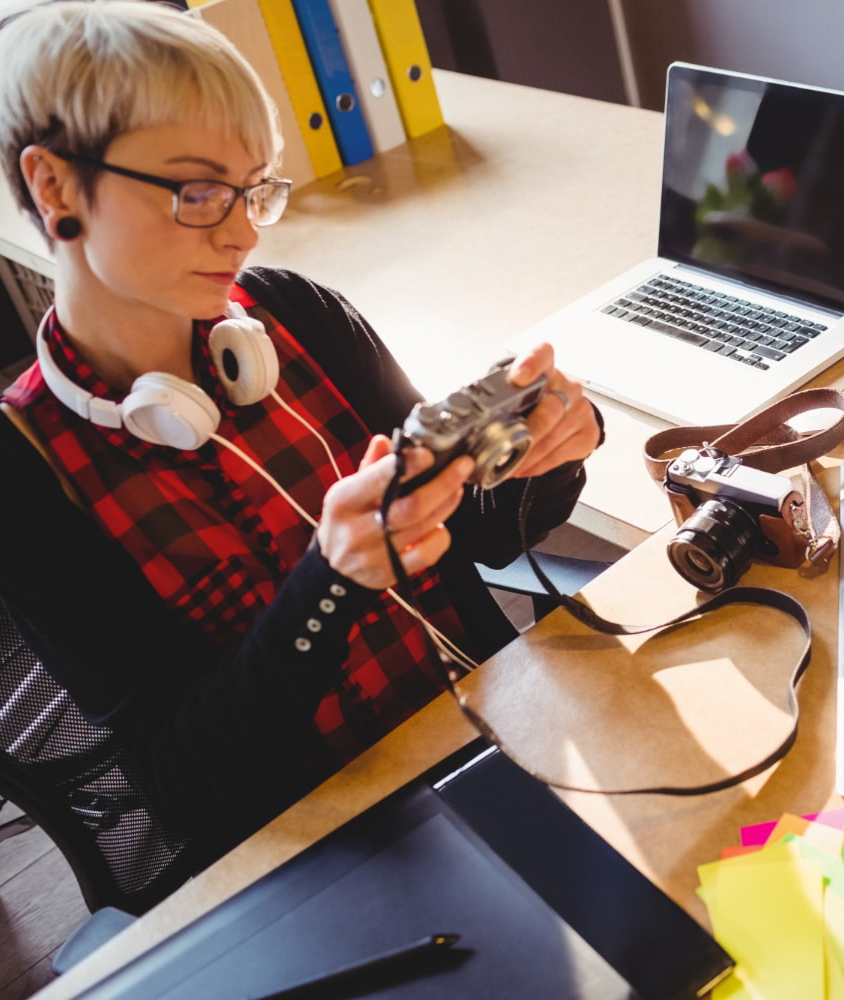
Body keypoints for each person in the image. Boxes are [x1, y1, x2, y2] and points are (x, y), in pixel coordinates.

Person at [0, 0, 602, 871]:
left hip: (503, 731)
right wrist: (333, 582)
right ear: (55, 188)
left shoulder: (293, 313)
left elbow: (475, 533)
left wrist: (546, 452)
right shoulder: (26, 468)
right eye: (199, 192)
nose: (241, 231)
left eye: (254, 191)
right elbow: (181, 786)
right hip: (327, 846)